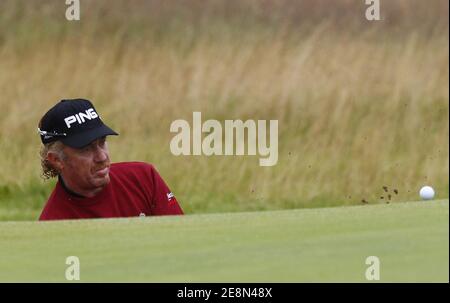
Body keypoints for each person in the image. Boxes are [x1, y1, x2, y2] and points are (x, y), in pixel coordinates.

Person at [37, 98, 183, 220]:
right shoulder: (52, 223)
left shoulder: (144, 178)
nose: (102, 156)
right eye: (85, 149)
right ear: (56, 160)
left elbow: (182, 240)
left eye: (102, 142)